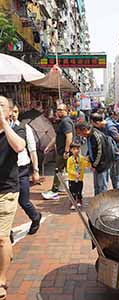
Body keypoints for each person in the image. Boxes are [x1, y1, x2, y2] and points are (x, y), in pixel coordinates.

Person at [0, 96, 25, 300]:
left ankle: (1, 280)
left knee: (0, 238)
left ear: (10, 111)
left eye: (1, 105)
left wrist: (4, 123)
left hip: (6, 191)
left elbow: (19, 147)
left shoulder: (17, 129)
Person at [12, 104, 42, 235]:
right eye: (11, 111)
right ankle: (7, 233)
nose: (13, 114)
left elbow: (32, 150)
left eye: (16, 111)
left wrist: (36, 171)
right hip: (6, 172)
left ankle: (35, 217)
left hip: (22, 170)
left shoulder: (24, 128)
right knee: (7, 203)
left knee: (23, 201)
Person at [42, 103, 75, 200]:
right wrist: (49, 146)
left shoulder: (66, 122)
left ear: (66, 111)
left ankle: (54, 190)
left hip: (65, 153)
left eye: (61, 110)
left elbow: (69, 137)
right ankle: (67, 189)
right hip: (63, 152)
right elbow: (57, 137)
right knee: (64, 171)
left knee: (59, 171)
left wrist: (66, 151)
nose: (58, 111)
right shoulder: (63, 122)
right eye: (58, 110)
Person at [90, 113, 119, 189]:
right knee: (113, 173)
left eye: (93, 124)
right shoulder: (102, 125)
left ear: (98, 122)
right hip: (110, 153)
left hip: (116, 154)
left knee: (114, 175)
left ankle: (118, 191)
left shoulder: (110, 128)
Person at [75, 122, 112, 195]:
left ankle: (103, 202)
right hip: (96, 164)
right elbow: (91, 148)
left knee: (102, 186)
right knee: (97, 185)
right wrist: (88, 156)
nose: (80, 135)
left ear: (85, 130)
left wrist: (94, 165)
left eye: (79, 133)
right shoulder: (89, 135)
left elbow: (100, 152)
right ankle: (97, 200)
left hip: (102, 165)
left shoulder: (96, 135)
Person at [67, 142, 90, 209]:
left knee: (79, 191)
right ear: (71, 150)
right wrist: (74, 173)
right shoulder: (70, 159)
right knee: (72, 192)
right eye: (74, 149)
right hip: (72, 179)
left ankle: (79, 201)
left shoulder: (82, 158)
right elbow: (68, 169)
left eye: (77, 149)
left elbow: (86, 165)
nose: (76, 151)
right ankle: (73, 202)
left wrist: (88, 161)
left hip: (80, 179)